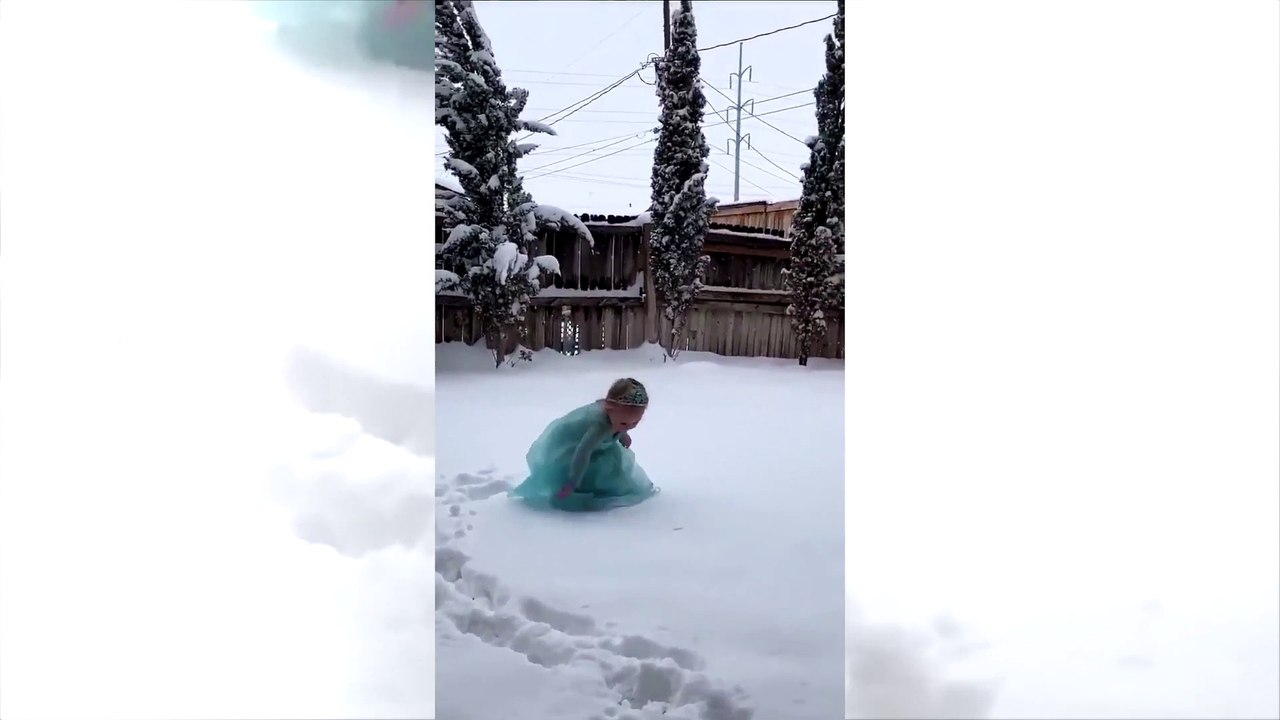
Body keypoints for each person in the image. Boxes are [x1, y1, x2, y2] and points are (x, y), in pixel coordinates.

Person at [509, 378, 658, 512]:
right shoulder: (598, 426)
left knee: (613, 462)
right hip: (571, 449)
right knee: (590, 467)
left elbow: (618, 426)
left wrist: (623, 435)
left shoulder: (616, 418)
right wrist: (573, 482)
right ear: (608, 410)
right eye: (624, 423)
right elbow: (582, 453)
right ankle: (581, 487)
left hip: (597, 446)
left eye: (635, 423)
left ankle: (601, 486)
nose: (629, 426)